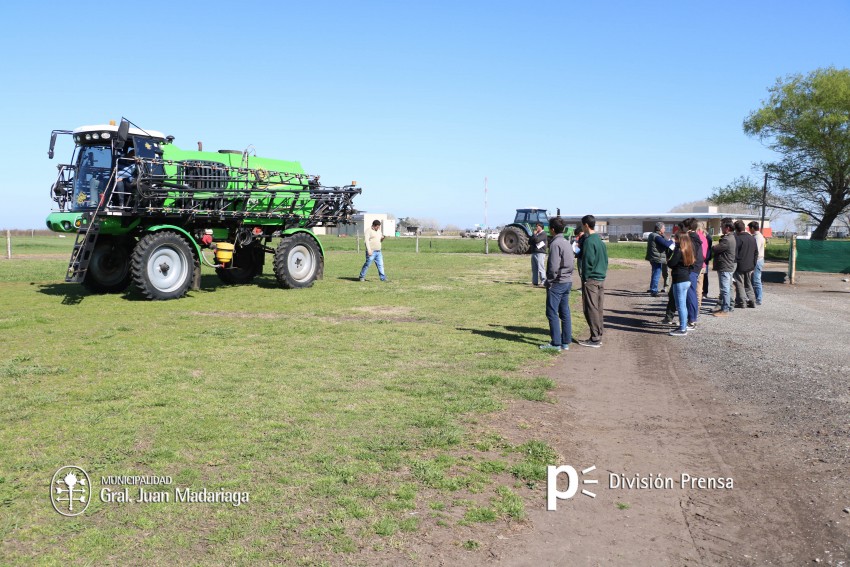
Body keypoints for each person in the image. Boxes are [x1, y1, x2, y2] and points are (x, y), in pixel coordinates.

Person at [539, 217, 574, 351]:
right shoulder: (566, 242)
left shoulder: (555, 244)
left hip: (557, 282)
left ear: (552, 229)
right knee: (564, 312)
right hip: (567, 280)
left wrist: (549, 280)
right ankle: (565, 341)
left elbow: (553, 266)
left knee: (552, 312)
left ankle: (556, 343)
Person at [576, 215, 608, 348]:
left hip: (591, 279)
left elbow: (588, 262)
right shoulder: (600, 240)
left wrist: (585, 278)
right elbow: (605, 260)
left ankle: (595, 338)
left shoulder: (589, 241)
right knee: (598, 308)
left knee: (590, 309)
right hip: (600, 278)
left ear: (586, 225)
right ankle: (598, 334)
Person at [667, 231, 695, 336]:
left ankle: (683, 329)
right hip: (686, 279)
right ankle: (683, 325)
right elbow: (692, 265)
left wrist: (669, 255)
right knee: (683, 305)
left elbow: (671, 263)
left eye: (676, 238)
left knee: (680, 305)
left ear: (680, 240)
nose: (675, 240)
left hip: (679, 280)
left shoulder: (678, 251)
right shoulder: (689, 250)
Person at [711, 219, 737, 316]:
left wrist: (713, 246)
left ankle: (725, 310)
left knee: (725, 289)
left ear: (728, 228)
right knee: (726, 288)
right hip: (727, 266)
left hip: (725, 266)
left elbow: (716, 248)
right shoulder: (731, 237)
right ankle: (726, 307)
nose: (721, 228)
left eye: (722, 226)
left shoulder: (727, 239)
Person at [684, 218, 705, 328]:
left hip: (691, 269)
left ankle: (692, 320)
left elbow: (689, 255)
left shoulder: (690, 239)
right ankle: (692, 318)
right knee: (692, 293)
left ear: (687, 227)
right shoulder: (696, 237)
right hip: (696, 268)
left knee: (690, 293)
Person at [733, 220, 757, 308]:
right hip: (750, 265)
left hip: (740, 265)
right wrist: (754, 264)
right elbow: (756, 252)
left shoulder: (737, 239)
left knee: (739, 283)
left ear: (736, 229)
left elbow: (735, 253)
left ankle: (742, 301)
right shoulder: (752, 238)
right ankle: (752, 300)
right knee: (748, 284)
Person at [645, 222, 667, 297]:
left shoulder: (653, 235)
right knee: (656, 274)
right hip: (656, 258)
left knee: (654, 273)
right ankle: (654, 290)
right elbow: (666, 244)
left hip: (653, 257)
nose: (665, 229)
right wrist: (671, 241)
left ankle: (652, 288)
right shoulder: (657, 236)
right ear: (660, 229)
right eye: (664, 228)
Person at [748, 221, 766, 305]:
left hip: (757, 260)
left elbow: (756, 250)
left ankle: (758, 299)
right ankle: (755, 297)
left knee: (756, 280)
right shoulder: (756, 236)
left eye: (749, 228)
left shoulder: (758, 237)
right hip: (757, 260)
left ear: (752, 228)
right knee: (754, 279)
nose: (749, 230)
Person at [530, 222, 548, 287]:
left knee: (541, 268)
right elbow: (530, 241)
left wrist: (534, 235)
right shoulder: (536, 234)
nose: (536, 227)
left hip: (540, 252)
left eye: (537, 226)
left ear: (541, 227)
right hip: (534, 252)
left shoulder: (543, 234)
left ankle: (543, 281)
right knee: (534, 268)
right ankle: (535, 282)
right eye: (536, 226)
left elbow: (537, 240)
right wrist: (533, 235)